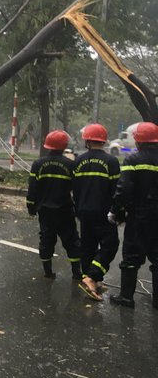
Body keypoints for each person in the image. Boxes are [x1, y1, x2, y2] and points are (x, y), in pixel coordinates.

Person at [110, 122, 158, 310]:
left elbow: (123, 190)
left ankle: (126, 298)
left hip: (138, 216)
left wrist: (116, 211)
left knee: (131, 256)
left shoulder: (132, 160)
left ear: (138, 141)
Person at [72, 124, 120, 301]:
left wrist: (78, 208)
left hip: (84, 211)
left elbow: (75, 189)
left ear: (87, 140)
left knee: (88, 247)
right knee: (110, 245)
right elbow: (116, 190)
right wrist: (117, 211)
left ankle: (91, 281)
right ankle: (92, 277)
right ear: (104, 141)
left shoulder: (79, 161)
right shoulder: (111, 161)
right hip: (103, 212)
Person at [26, 130, 81, 280]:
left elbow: (33, 188)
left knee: (46, 240)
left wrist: (31, 207)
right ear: (64, 146)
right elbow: (77, 189)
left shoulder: (38, 164)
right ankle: (77, 273)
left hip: (45, 211)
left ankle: (48, 272)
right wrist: (78, 208)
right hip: (65, 210)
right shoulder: (70, 164)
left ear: (48, 146)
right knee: (72, 241)